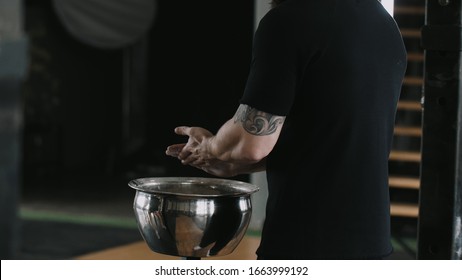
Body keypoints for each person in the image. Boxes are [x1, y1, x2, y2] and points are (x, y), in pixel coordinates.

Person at [166, 0, 407, 259]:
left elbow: (251, 144)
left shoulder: (288, 22)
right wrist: (235, 165)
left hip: (306, 243)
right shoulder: (384, 23)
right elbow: (333, 139)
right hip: (374, 246)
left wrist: (210, 146)